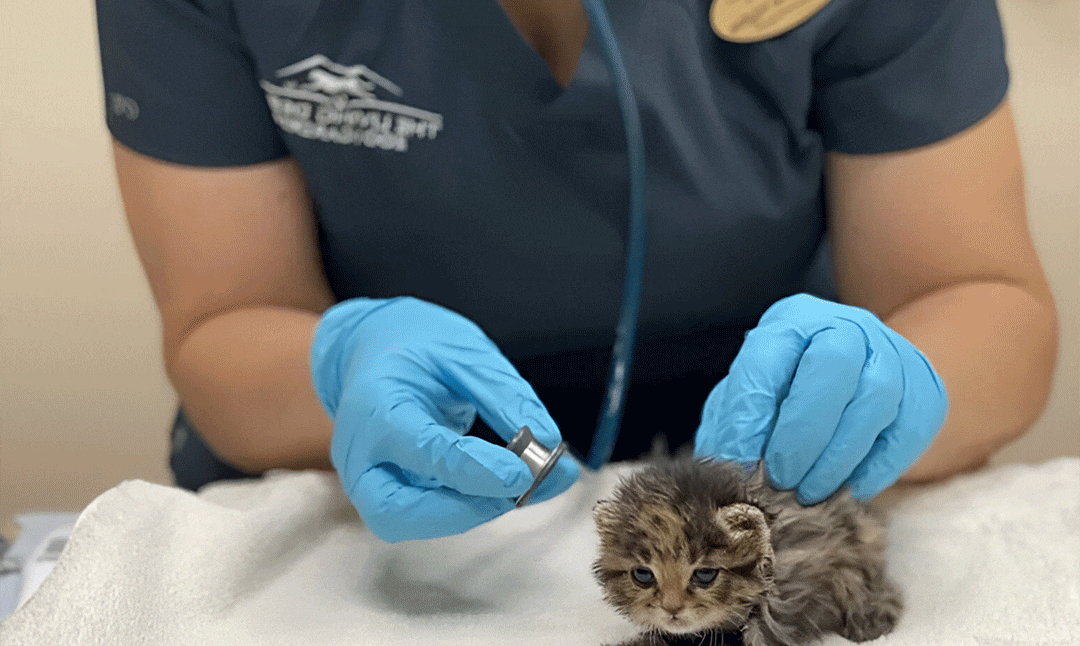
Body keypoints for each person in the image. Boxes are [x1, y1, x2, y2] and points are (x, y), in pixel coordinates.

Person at [95, 0, 1058, 542]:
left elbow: (984, 302)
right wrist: (340, 368)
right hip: (368, 505)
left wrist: (898, 387)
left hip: (768, 497)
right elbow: (223, 323)